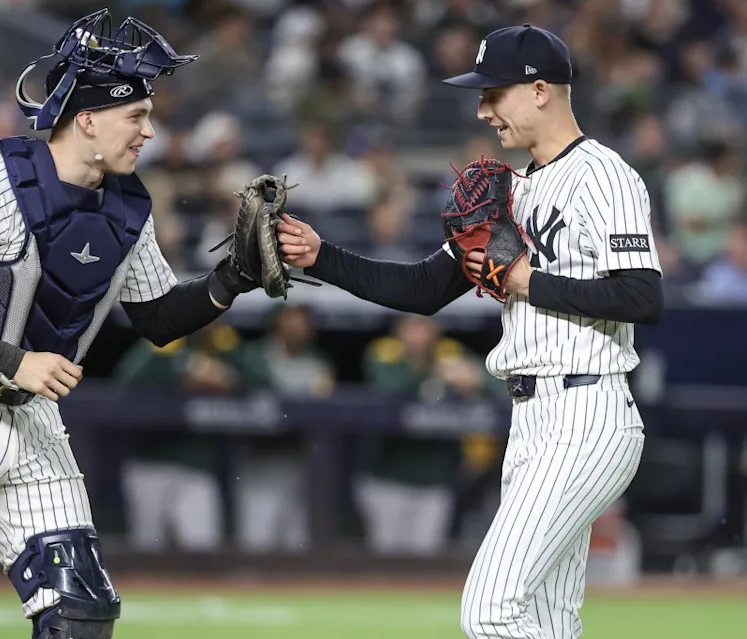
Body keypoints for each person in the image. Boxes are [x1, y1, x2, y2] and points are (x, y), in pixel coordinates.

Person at [0, 9, 260, 639]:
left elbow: (158, 318)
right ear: (87, 119)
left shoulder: (127, 207)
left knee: (79, 612)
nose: (151, 131)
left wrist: (234, 277)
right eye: (137, 116)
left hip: (30, 414)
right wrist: (15, 361)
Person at [277, 24, 664, 639]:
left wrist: (525, 281)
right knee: (548, 621)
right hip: (532, 420)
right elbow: (423, 290)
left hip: (587, 409)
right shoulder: (513, 193)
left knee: (488, 610)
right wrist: (321, 257)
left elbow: (643, 296)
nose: (483, 110)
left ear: (540, 90)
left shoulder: (604, 175)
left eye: (494, 94)